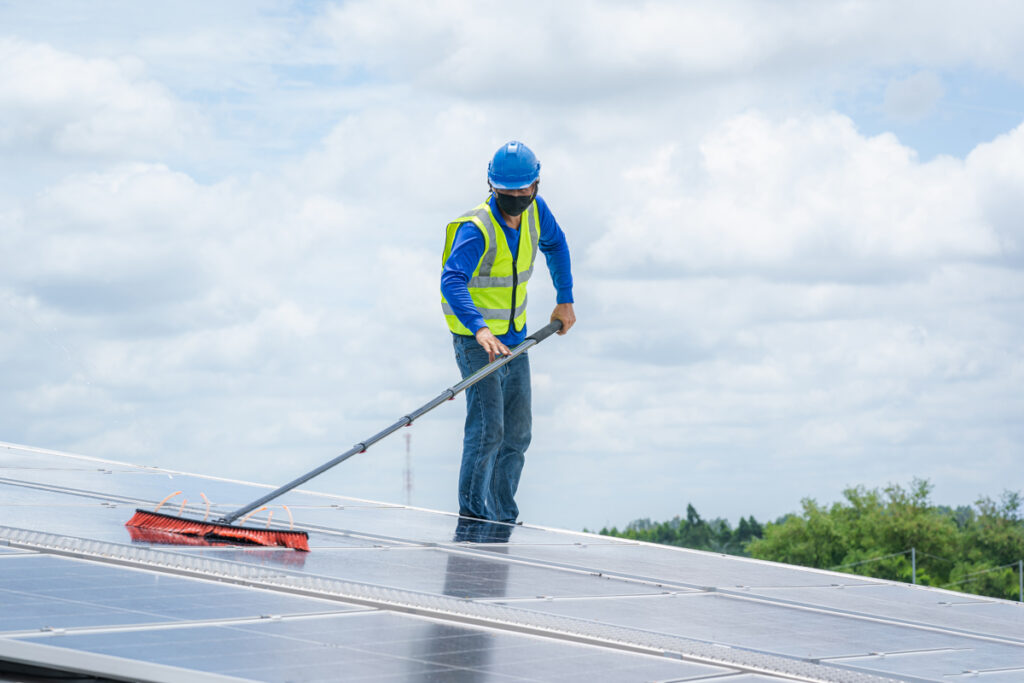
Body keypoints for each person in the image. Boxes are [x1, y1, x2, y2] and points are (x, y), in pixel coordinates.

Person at [440, 140, 575, 524]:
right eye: (507, 192)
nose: (516, 198)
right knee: (489, 431)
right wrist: (479, 329)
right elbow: (451, 280)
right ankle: (473, 520)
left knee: (517, 434)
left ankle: (502, 518)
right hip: (477, 341)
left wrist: (565, 299)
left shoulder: (537, 212)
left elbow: (557, 245)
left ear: (536, 184)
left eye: (523, 190)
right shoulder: (476, 228)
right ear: (491, 185)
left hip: (514, 338)